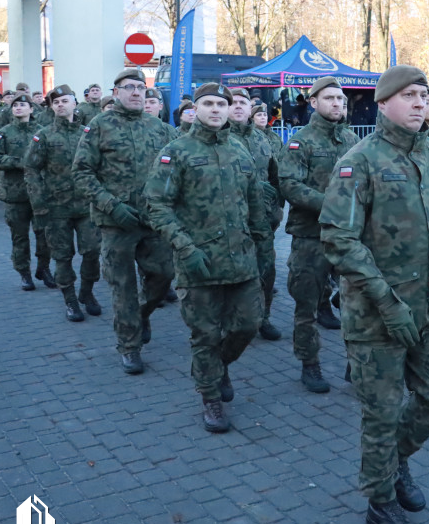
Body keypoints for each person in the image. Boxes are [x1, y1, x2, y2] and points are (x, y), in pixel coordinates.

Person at [320, 65, 429, 524]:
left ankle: (395, 459)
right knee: (381, 414)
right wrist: (387, 302)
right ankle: (380, 500)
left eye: (424, 95)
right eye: (407, 95)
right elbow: (338, 239)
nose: (418, 103)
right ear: (383, 104)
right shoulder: (360, 160)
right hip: (376, 316)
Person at [144, 83, 269, 433]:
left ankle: (218, 366)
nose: (216, 109)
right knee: (204, 335)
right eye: (209, 104)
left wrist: (262, 244)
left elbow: (255, 200)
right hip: (198, 261)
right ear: (195, 108)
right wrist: (184, 247)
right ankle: (210, 395)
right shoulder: (177, 151)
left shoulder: (240, 150)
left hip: (240, 259)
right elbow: (157, 205)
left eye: (222, 104)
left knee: (248, 324)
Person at [73, 67, 175, 375]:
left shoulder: (157, 128)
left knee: (163, 275)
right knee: (123, 286)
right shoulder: (99, 125)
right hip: (116, 223)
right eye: (129, 87)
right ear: (115, 92)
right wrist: (111, 206)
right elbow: (81, 173)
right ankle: (129, 346)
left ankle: (142, 315)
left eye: (141, 88)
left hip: (152, 220)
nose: (136, 92)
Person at [278, 76, 359, 393]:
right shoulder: (301, 142)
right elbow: (291, 186)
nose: (337, 104)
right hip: (311, 236)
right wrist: (331, 206)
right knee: (306, 306)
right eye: (329, 99)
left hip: (349, 237)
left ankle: (357, 365)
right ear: (313, 102)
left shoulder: (353, 140)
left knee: (357, 303)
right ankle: (309, 364)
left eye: (341, 99)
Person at [25, 85, 102, 321]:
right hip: (56, 207)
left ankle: (86, 293)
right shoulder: (44, 135)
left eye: (64, 101)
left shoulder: (86, 133)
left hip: (86, 206)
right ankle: (70, 301)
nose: (60, 105)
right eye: (55, 102)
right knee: (62, 255)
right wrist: (39, 204)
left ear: (74, 103)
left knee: (92, 252)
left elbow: (99, 166)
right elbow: (31, 169)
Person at [0, 94, 54, 291]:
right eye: (15, 105)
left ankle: (44, 268)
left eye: (23, 105)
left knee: (44, 234)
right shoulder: (5, 132)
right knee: (19, 236)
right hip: (15, 194)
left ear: (31, 109)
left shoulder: (42, 132)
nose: (18, 108)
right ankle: (24, 272)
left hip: (39, 193)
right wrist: (17, 162)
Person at [228, 91, 282, 341]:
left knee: (266, 271)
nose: (238, 107)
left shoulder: (262, 139)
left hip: (261, 223)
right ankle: (232, 321)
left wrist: (276, 210)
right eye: (233, 103)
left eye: (243, 103)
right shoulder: (218, 139)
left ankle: (264, 318)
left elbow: (275, 177)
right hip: (228, 224)